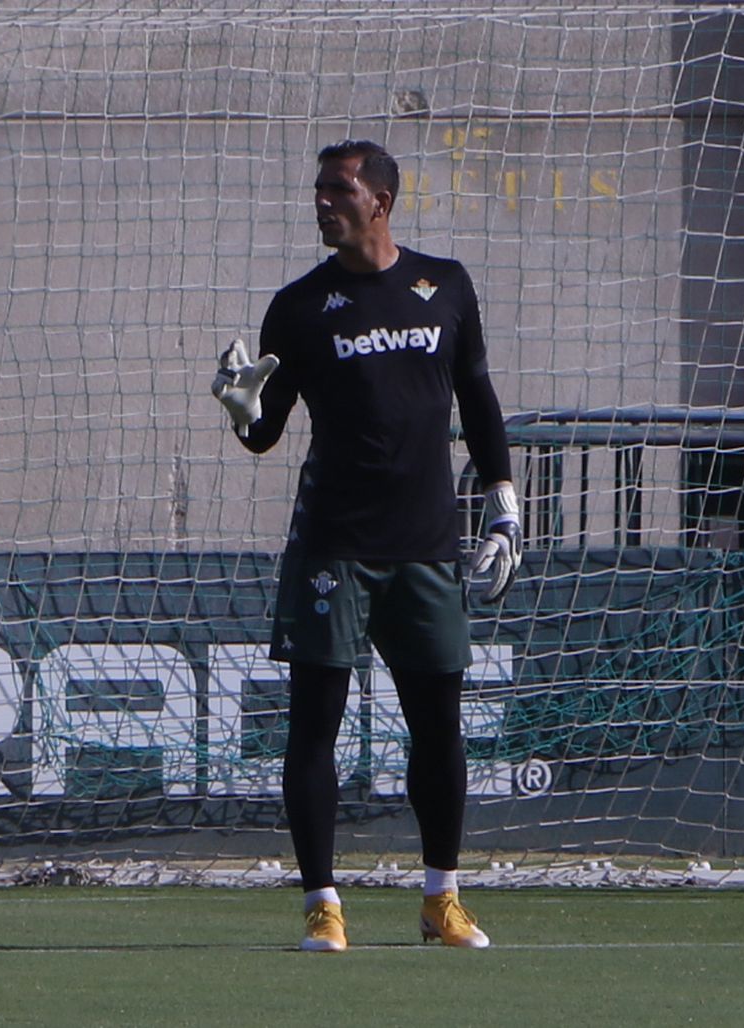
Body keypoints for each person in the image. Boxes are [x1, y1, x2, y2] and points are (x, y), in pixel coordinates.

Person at [210, 139, 521, 953]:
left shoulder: (444, 286)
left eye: (338, 189)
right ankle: (323, 905)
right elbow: (266, 435)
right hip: (334, 545)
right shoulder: (299, 306)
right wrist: (244, 410)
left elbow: (479, 395)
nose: (322, 201)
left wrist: (505, 508)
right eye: (318, 189)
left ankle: (441, 900)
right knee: (316, 724)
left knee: (439, 726)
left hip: (426, 543)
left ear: (379, 199)